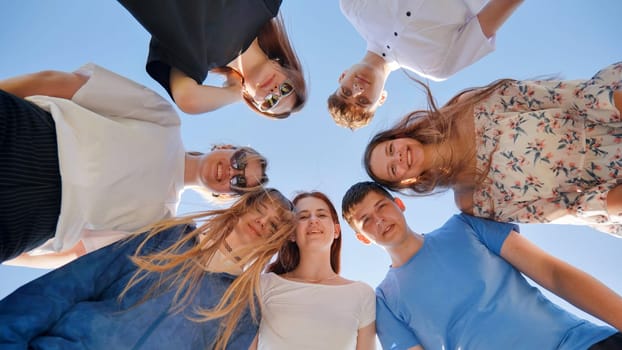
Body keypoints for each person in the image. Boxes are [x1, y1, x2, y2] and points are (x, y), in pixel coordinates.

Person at [0, 63, 269, 267]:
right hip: (31, 136)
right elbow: (66, 85)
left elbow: (76, 253)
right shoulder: (164, 119)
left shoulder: (159, 225)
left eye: (240, 182)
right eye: (241, 161)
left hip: (34, 217)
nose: (233, 171)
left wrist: (10, 255)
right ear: (226, 148)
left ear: (226, 195)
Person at [0, 188, 296, 350]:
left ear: (276, 243)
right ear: (241, 207)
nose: (263, 221)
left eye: (275, 223)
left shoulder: (243, 311)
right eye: (260, 209)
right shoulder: (165, 238)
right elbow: (65, 287)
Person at [341, 181, 622, 349]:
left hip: (581, 343)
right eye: (366, 220)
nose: (379, 220)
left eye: (382, 207)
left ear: (399, 204)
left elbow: (552, 273)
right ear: (362, 238)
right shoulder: (384, 302)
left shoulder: (465, 227)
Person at [364, 62, 622, 236]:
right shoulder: (470, 200)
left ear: (398, 136)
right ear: (406, 181)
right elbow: (559, 209)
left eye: (389, 150)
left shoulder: (467, 107)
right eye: (392, 169)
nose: (397, 157)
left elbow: (560, 96)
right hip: (611, 186)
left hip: (610, 117)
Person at [328, 0, 523, 129]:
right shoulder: (438, 67)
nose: (357, 89)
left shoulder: (352, 6)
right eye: (363, 101)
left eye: (346, 92)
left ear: (342, 76)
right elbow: (498, 10)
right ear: (381, 99)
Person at [117, 0, 307, 118]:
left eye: (270, 102)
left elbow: (187, 100)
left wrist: (235, 92)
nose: (274, 92)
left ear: (252, 101)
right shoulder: (265, 5)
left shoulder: (196, 62)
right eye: (285, 89)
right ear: (286, 68)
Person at [250, 191, 376, 349]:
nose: (313, 220)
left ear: (336, 231)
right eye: (303, 217)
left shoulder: (362, 294)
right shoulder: (263, 285)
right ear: (291, 234)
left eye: (322, 215)